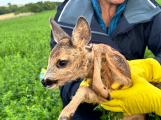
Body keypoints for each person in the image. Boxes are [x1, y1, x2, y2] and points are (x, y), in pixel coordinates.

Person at [50, 0, 161, 119]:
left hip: (133, 102)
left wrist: (152, 67)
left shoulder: (148, 8)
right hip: (88, 112)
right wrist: (89, 90)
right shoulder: (67, 16)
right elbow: (62, 78)